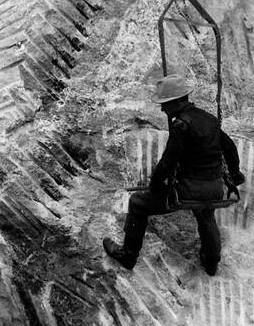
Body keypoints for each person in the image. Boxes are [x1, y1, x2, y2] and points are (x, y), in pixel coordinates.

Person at [103, 75, 242, 276]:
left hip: (191, 189)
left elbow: (167, 163)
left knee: (138, 203)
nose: (162, 109)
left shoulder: (181, 125)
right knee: (206, 215)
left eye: (164, 104)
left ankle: (128, 256)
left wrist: (155, 186)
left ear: (175, 102)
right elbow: (229, 147)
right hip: (214, 187)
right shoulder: (209, 119)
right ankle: (211, 263)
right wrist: (235, 174)